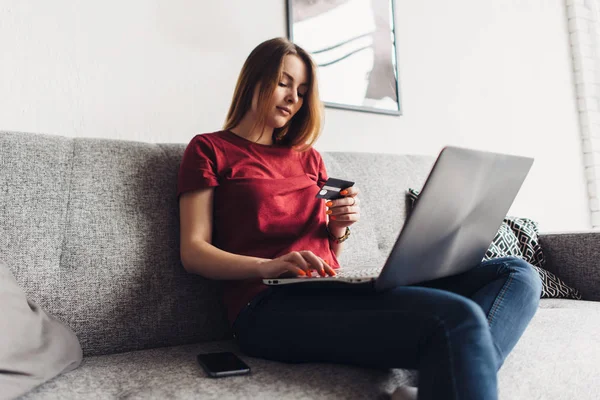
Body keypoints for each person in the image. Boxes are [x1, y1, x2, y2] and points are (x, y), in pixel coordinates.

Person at [177, 37, 542, 400]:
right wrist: (269, 266)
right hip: (265, 308)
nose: (293, 98)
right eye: (284, 83)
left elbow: (327, 246)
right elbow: (193, 252)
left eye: (302, 91)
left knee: (517, 273)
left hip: (330, 288)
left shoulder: (309, 159)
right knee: (456, 316)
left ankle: (438, 385)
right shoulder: (210, 149)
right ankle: (450, 376)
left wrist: (338, 227)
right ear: (253, 80)